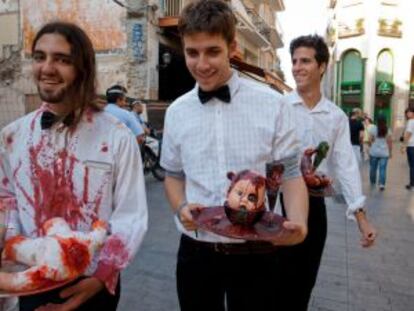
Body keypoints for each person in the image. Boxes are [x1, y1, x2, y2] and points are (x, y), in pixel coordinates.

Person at [160, 1, 309, 310]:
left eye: (212, 51)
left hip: (257, 252)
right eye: (192, 52)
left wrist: (299, 223)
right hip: (196, 253)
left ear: (232, 47)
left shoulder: (272, 104)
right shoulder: (176, 112)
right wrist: (181, 207)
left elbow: (291, 175)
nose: (201, 64)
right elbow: (173, 176)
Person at [0, 21, 148, 311]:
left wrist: (103, 276)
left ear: (83, 67)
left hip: (93, 282)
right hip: (32, 281)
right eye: (40, 57)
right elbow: (8, 201)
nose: (47, 68)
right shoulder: (12, 136)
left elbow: (130, 215)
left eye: (62, 60)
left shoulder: (117, 136)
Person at [277, 34, 377, 311]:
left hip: (315, 207)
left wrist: (361, 218)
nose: (297, 67)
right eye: (294, 61)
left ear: (322, 66)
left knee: (303, 283)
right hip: (278, 206)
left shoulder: (336, 117)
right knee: (275, 282)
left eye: (305, 61)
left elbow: (345, 165)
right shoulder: (279, 107)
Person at [368, 116, 392, 191]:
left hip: (374, 152)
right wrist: (390, 152)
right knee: (383, 169)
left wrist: (371, 145)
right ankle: (382, 184)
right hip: (384, 153)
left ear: (377, 121)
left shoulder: (373, 129)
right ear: (385, 121)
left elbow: (370, 140)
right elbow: (389, 142)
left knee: (373, 168)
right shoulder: (388, 129)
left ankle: (372, 182)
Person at [402, 105, 414, 190]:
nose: (407, 114)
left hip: (411, 146)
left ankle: (412, 184)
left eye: (409, 112)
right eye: (406, 113)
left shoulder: (411, 121)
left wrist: (404, 145)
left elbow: (408, 134)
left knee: (412, 166)